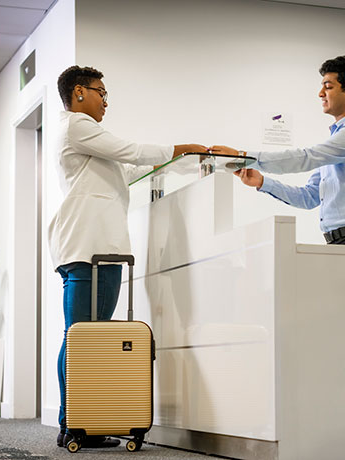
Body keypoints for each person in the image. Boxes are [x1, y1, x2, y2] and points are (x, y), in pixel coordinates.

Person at [49, 65, 206, 448]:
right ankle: (76, 425)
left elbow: (130, 162)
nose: (106, 101)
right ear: (79, 93)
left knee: (80, 336)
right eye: (101, 92)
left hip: (88, 245)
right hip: (91, 247)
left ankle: (74, 421)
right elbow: (131, 151)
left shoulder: (83, 135)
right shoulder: (77, 126)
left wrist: (181, 161)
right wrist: (181, 149)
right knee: (83, 337)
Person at [210, 56, 345, 246]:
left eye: (328, 87)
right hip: (344, 238)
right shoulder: (338, 139)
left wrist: (243, 157)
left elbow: (305, 158)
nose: (320, 94)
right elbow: (309, 197)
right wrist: (262, 182)